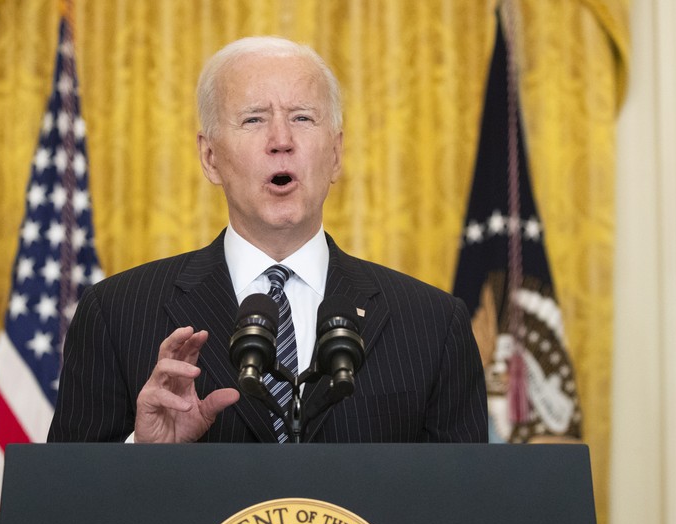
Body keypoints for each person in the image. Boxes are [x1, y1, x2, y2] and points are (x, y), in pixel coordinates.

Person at [47, 36, 487, 444]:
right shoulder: (116, 313)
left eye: (302, 118)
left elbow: (464, 510)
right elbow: (66, 507)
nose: (281, 141)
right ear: (210, 157)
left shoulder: (434, 324)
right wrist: (145, 453)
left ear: (335, 154)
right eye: (254, 119)